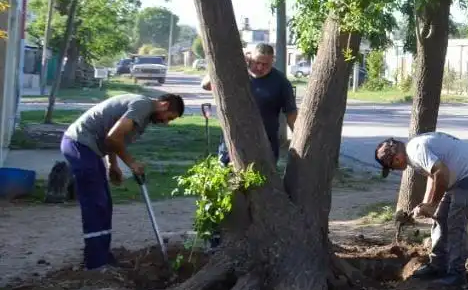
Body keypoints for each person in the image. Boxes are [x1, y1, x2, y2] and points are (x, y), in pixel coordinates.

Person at [60, 93, 185, 270]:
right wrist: (132, 163)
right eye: (169, 117)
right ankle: (95, 263)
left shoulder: (144, 111)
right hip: (79, 144)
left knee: (105, 203)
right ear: (164, 105)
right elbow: (113, 137)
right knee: (95, 204)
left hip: (90, 149)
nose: (166, 122)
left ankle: (102, 255)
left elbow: (112, 135)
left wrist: (113, 164)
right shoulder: (143, 106)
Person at [375, 133, 468, 288]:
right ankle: (438, 265)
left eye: (392, 167)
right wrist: (426, 204)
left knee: (456, 222)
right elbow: (433, 174)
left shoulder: (416, 150)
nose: (395, 170)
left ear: (397, 159)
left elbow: (441, 173)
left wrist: (433, 203)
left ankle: (456, 275)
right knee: (440, 218)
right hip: (454, 175)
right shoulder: (413, 153)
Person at [203, 43, 298, 162]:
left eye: (265, 64)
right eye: (256, 62)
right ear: (249, 58)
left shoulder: (281, 82)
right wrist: (230, 62)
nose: (260, 68)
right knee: (229, 178)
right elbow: (205, 85)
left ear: (272, 61)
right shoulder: (235, 73)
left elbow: (291, 116)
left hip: (265, 145)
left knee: (263, 180)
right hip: (232, 145)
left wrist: (299, 141)